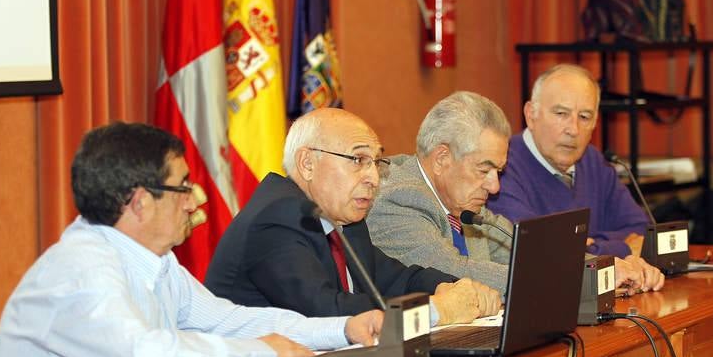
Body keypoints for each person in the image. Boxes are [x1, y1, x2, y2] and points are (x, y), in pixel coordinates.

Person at [0, 123, 382, 357]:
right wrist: (262, 352)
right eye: (183, 187)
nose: (195, 202)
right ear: (140, 202)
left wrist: (344, 329)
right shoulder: (78, 270)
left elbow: (229, 321)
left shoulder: (155, 259)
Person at [205, 108, 501, 324]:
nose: (373, 177)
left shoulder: (345, 221)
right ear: (307, 163)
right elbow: (326, 312)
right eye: (358, 160)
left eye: (375, 162)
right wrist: (436, 310)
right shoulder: (275, 218)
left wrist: (457, 288)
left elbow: (398, 279)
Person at [487, 64, 664, 291]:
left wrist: (592, 245)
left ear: (595, 122)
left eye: (584, 116)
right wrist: (619, 248)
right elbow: (537, 252)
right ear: (531, 115)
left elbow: (641, 231)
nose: (573, 129)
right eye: (561, 114)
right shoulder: (503, 166)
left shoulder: (593, 161)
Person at [367, 91, 514, 291]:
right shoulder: (395, 198)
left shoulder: (463, 201)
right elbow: (449, 273)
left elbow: (519, 253)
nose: (494, 186)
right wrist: (539, 277)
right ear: (441, 159)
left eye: (498, 171)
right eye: (483, 170)